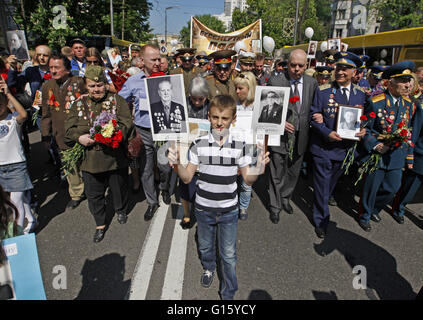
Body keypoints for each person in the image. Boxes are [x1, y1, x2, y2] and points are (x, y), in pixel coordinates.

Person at [167, 94, 270, 300]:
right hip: (203, 209)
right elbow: (187, 178)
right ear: (208, 116)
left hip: (229, 210)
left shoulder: (240, 147)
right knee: (205, 246)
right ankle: (208, 267)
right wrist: (178, 164)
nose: (219, 123)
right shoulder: (198, 144)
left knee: (229, 254)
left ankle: (228, 292)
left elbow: (247, 181)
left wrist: (259, 167)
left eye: (224, 119)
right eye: (215, 117)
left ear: (234, 120)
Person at [64, 66, 133, 243]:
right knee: (94, 194)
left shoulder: (117, 101)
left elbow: (126, 123)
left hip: (114, 157)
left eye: (100, 85)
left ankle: (120, 210)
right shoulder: (78, 104)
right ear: (86, 86)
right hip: (90, 160)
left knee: (118, 188)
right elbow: (69, 129)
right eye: (92, 86)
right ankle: (100, 224)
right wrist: (79, 137)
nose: (96, 89)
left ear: (105, 84)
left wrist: (112, 133)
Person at [309, 51, 366, 238]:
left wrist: (363, 130)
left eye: (345, 69)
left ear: (354, 72)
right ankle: (321, 220)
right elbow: (314, 116)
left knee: (329, 185)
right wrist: (327, 132)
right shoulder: (323, 90)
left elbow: (365, 119)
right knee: (323, 186)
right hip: (324, 148)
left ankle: (321, 204)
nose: (340, 72)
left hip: (345, 152)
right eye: (339, 68)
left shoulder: (360, 94)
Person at [359, 61, 418, 232]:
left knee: (392, 187)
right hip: (378, 153)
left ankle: (376, 208)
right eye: (403, 81)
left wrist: (409, 156)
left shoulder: (408, 105)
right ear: (390, 82)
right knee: (371, 188)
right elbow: (365, 129)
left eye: (409, 80)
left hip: (397, 155)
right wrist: (375, 145)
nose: (408, 85)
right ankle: (365, 215)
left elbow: (410, 132)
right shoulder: (376, 102)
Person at [119, 44, 171, 219]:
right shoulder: (133, 81)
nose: (158, 62)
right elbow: (119, 101)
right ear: (142, 61)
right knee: (146, 169)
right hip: (143, 132)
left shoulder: (169, 79)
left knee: (164, 166)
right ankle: (151, 202)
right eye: (153, 59)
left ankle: (164, 188)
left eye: (159, 59)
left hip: (163, 131)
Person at [266, 49, 318, 223]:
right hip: (279, 137)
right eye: (293, 65)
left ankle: (285, 198)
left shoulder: (312, 83)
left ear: (306, 65)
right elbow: (266, 109)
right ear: (287, 64)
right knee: (276, 172)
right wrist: (279, 122)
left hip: (301, 137)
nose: (296, 69)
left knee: (293, 172)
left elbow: (314, 108)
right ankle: (275, 206)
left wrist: (319, 115)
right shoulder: (276, 81)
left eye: (300, 65)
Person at [41, 53, 86, 210]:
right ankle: (76, 193)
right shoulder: (47, 86)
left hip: (81, 131)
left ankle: (93, 188)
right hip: (61, 135)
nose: (53, 70)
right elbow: (45, 113)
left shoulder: (79, 82)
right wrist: (45, 136)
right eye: (51, 67)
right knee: (69, 165)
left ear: (67, 70)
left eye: (57, 67)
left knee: (86, 162)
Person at [0, 78, 37, 234]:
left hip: (16, 165)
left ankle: (18, 233)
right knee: (17, 199)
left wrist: (8, 94)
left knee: (15, 201)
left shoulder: (13, 120)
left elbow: (23, 113)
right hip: (1, 168)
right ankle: (31, 219)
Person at [179, 76, 211, 229]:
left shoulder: (212, 106)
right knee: (186, 184)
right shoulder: (182, 105)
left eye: (201, 99)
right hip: (186, 150)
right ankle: (186, 214)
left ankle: (203, 212)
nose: (197, 102)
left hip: (205, 151)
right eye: (194, 99)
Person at [233, 71, 257, 220]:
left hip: (252, 149)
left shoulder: (258, 107)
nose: (237, 91)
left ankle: (243, 207)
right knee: (231, 179)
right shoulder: (232, 105)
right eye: (236, 88)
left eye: (240, 88)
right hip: (234, 149)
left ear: (250, 89)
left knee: (246, 183)